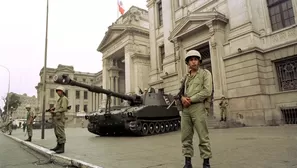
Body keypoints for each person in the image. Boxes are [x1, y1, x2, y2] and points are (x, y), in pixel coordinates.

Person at [180, 50, 213, 168]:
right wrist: (182, 98)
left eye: (195, 59)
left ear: (199, 61)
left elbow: (207, 91)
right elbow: (180, 93)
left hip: (198, 107)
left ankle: (206, 163)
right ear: (188, 63)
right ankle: (187, 163)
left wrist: (190, 99)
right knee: (185, 137)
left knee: (203, 136)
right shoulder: (185, 78)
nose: (193, 62)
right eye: (191, 60)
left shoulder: (205, 74)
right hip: (185, 110)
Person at [49, 86, 69, 154]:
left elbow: (64, 108)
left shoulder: (64, 98)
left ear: (62, 91)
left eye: (59, 91)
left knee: (60, 132)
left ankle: (62, 148)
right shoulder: (59, 99)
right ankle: (58, 146)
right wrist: (53, 109)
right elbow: (57, 107)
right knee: (57, 132)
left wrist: (55, 111)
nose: (58, 92)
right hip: (57, 118)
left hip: (60, 117)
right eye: (57, 91)